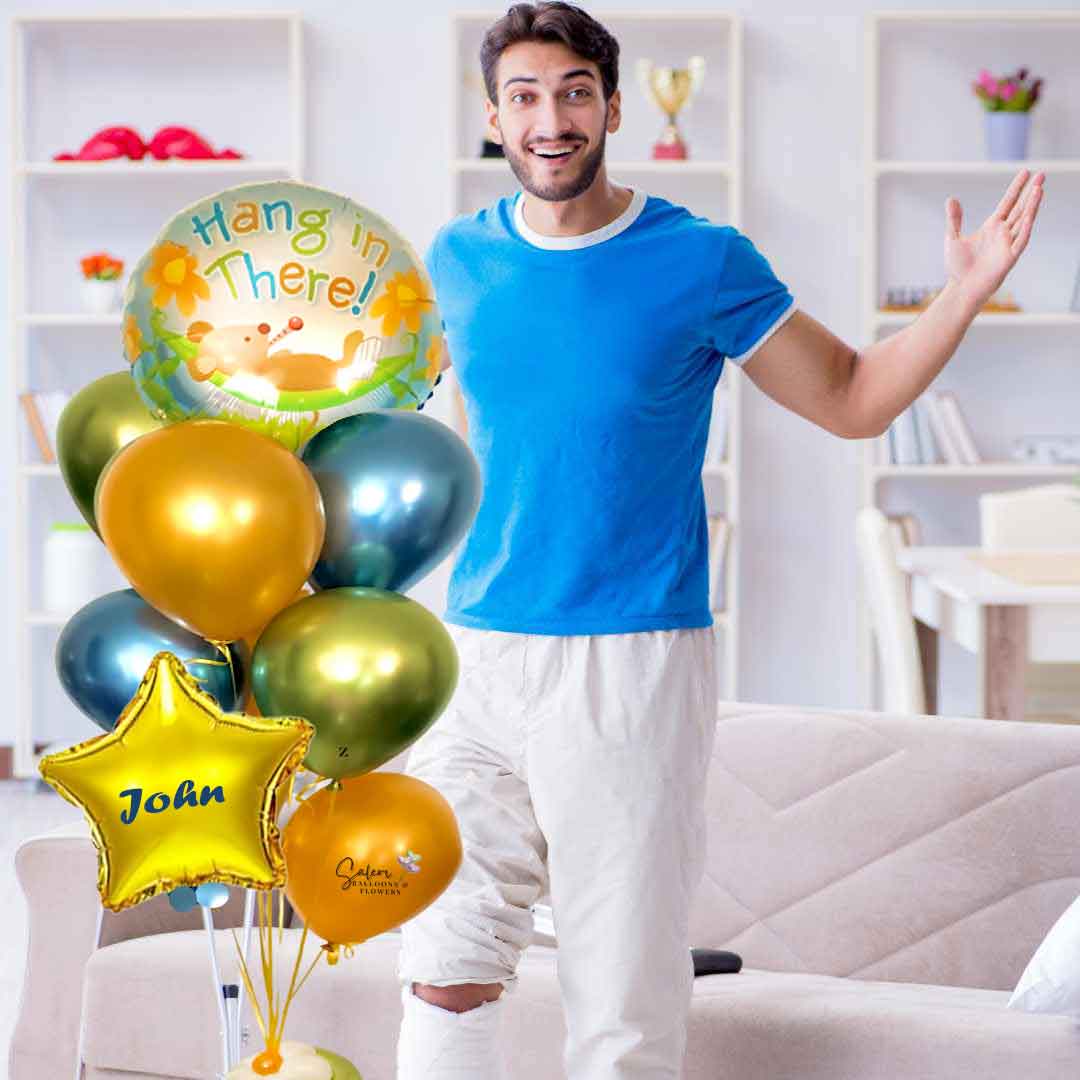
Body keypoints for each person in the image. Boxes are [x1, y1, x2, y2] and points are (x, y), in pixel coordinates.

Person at [395, 4, 1045, 1077]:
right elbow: (399, 423)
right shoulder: (455, 260)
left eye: (573, 93)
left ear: (612, 107)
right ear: (494, 118)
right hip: (474, 655)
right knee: (443, 957)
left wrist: (962, 294)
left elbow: (852, 397)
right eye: (525, 96)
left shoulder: (699, 260)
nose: (551, 119)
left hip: (631, 661)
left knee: (621, 993)